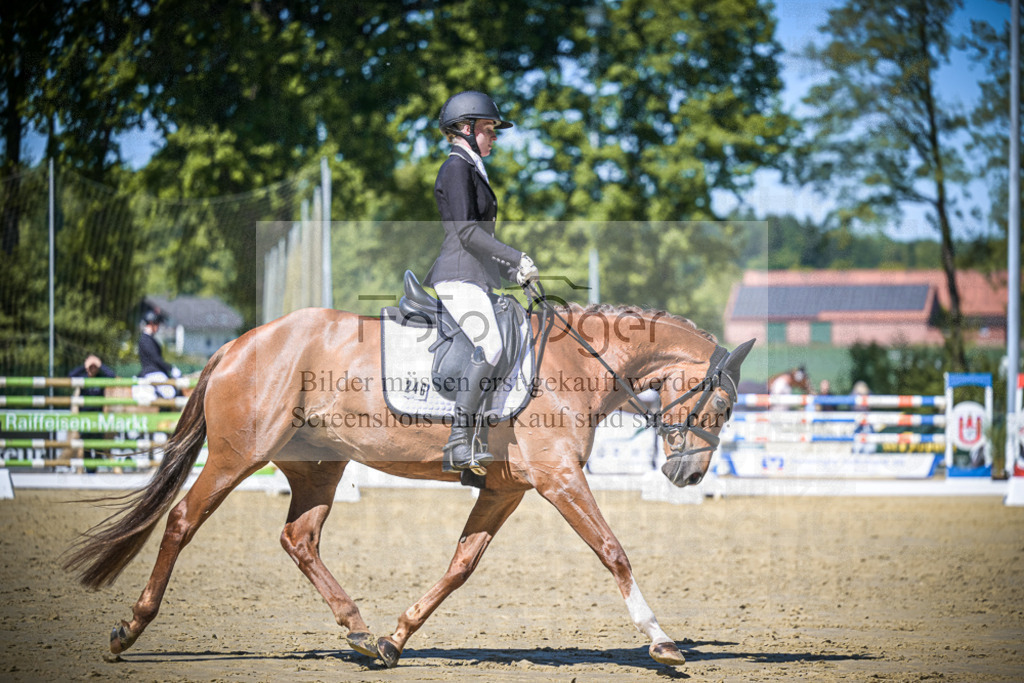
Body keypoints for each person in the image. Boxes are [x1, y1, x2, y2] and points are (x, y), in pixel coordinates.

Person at [424, 90, 539, 474]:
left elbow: (479, 243)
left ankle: (485, 431)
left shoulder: (471, 166)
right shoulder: (456, 167)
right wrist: (515, 257)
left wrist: (512, 272)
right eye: (489, 130)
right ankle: (458, 441)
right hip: (456, 276)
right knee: (490, 343)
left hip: (473, 274)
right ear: (466, 128)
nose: (494, 138)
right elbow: (468, 234)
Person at [138, 310, 180, 401]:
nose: (158, 327)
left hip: (156, 372)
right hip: (152, 372)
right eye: (157, 324)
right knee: (170, 393)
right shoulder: (145, 340)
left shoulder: (149, 339)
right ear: (151, 323)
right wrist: (170, 368)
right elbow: (156, 358)